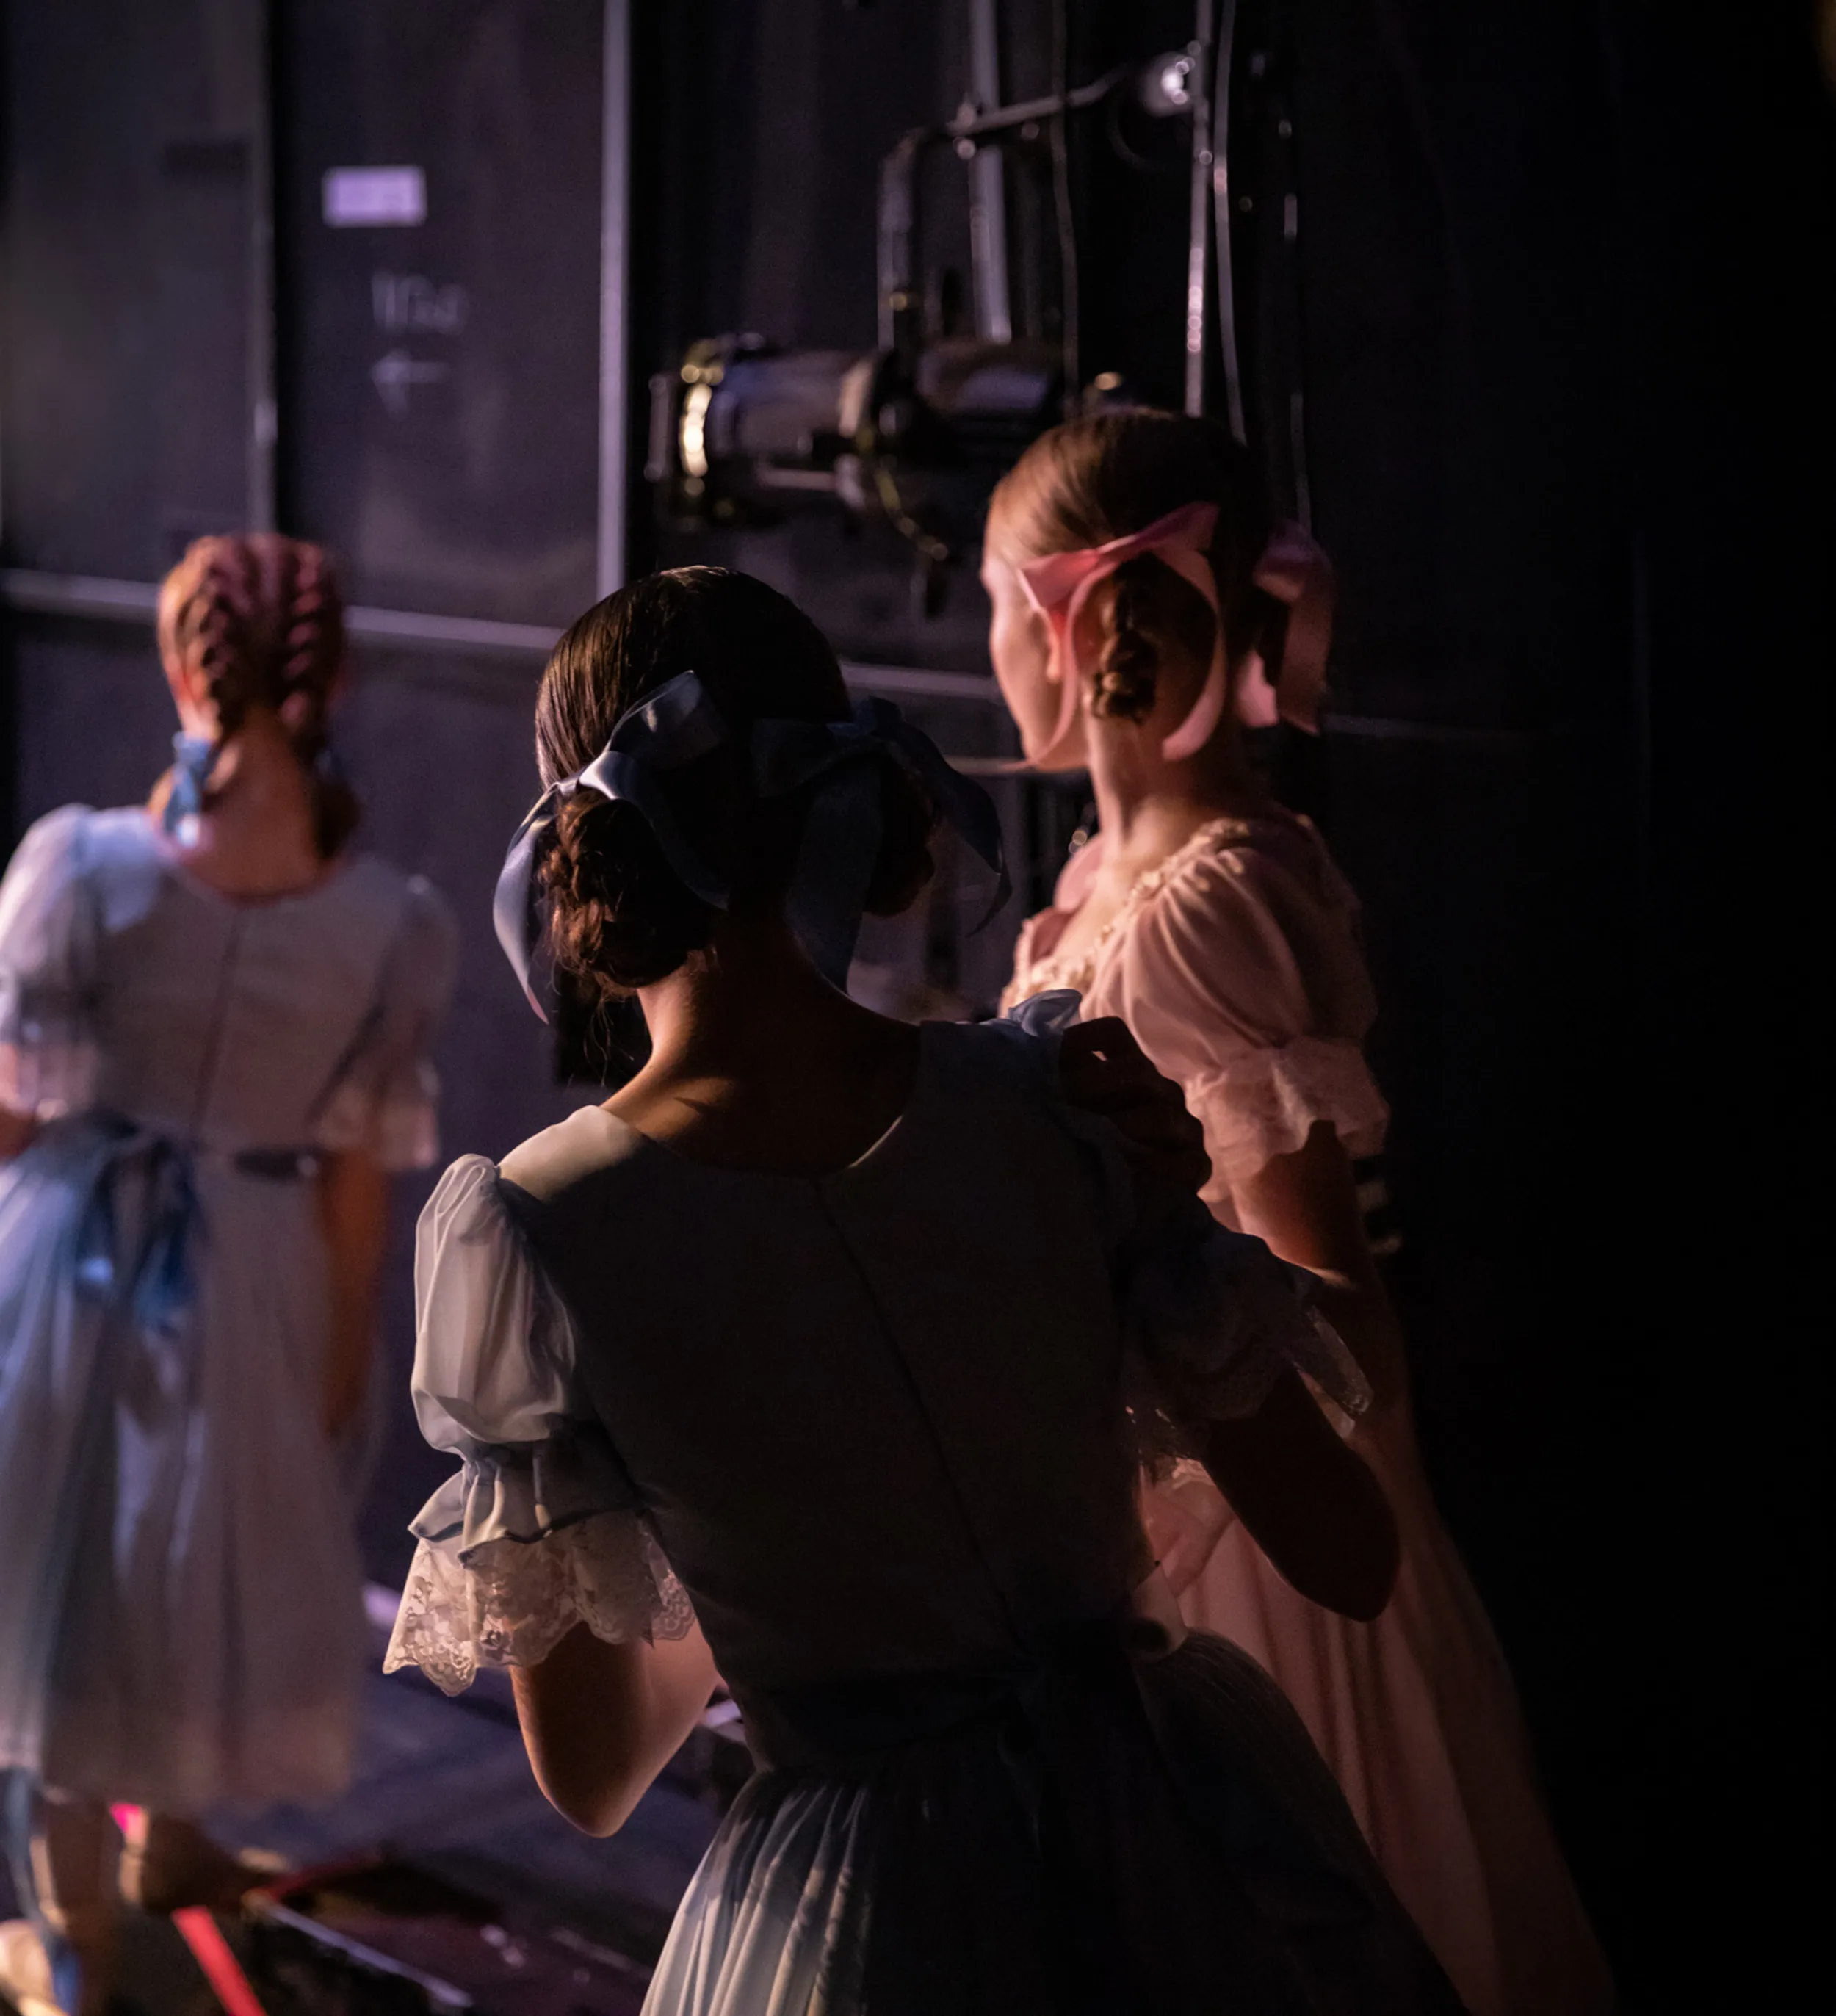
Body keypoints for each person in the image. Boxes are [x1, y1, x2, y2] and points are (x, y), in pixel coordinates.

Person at [384, 564, 1464, 2015]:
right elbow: (1347, 1552)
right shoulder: (1052, 1104)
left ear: (573, 834)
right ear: (843, 781)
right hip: (1192, 1841)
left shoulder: (541, 1229)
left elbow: (588, 1776)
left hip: (860, 1914)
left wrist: (764, 1562)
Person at [985, 408, 1614, 2016]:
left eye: (995, 601)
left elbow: (1337, 1310)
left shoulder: (1208, 907)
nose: (982, 642)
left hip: (1255, 1538)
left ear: (1067, 626)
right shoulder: (1114, 879)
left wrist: (1144, 1320)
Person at [0, 535, 455, 2015]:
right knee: (197, 1560)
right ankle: (164, 1848)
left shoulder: (85, 868)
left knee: (77, 1588)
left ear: (187, 668)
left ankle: (79, 1929)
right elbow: (350, 1180)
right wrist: (334, 1357)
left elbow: (12, 1104)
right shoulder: (386, 920)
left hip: (71, 1259)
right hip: (254, 1266)